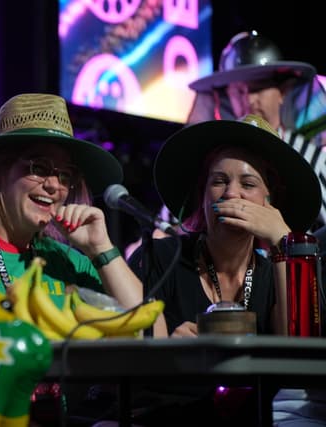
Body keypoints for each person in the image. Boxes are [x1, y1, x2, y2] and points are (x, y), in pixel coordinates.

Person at [0, 93, 144, 414]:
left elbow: (150, 336)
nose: (54, 185)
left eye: (64, 175)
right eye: (38, 167)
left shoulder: (71, 263)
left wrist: (102, 249)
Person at [123, 115, 322, 425]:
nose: (231, 194)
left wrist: (284, 242)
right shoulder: (160, 257)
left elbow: (298, 360)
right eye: (218, 181)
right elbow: (129, 360)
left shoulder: (275, 271)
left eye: (248, 183)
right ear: (202, 198)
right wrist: (168, 354)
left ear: (271, 203)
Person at [187, 30, 326, 225]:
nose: (249, 99)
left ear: (283, 92)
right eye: (239, 91)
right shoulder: (210, 161)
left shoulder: (315, 160)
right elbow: (176, 221)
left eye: (258, 88)